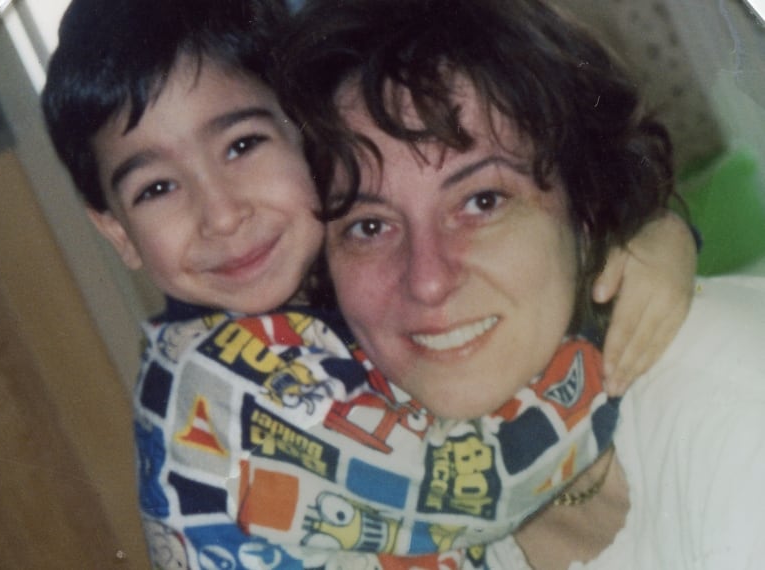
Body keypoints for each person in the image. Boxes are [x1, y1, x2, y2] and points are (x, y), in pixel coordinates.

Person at [40, 0, 697, 568]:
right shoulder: (225, 385)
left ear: (307, 133)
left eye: (241, 145)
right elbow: (485, 484)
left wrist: (635, 228)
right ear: (117, 231)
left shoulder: (297, 309)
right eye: (156, 188)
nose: (222, 214)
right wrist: (617, 296)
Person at [277, 0, 765, 567]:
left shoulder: (739, 420)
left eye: (482, 201)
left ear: (585, 204)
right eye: (369, 226)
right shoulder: (369, 478)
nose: (428, 281)